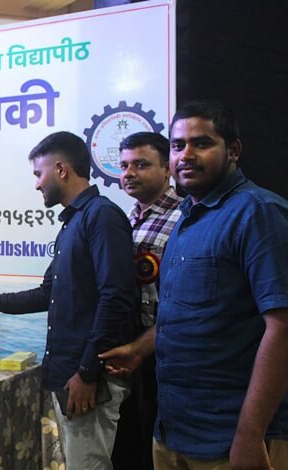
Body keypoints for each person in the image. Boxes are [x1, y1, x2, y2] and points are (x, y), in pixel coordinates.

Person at [100, 100, 288, 469]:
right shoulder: (187, 218)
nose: (186, 155)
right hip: (174, 430)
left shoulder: (257, 212)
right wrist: (139, 350)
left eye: (201, 143)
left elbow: (283, 328)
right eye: (178, 145)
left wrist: (250, 435)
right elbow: (187, 314)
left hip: (234, 437)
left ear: (233, 150)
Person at [0, 131, 137, 469]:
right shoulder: (73, 222)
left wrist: (87, 373)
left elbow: (116, 298)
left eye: (39, 174)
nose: (37, 184)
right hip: (71, 373)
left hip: (88, 379)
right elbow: (47, 294)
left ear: (61, 169)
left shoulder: (101, 216)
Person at [107, 132, 182, 470]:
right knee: (130, 445)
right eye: (124, 166)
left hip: (167, 354)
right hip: (129, 350)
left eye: (141, 165)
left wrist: (142, 348)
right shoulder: (129, 218)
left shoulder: (184, 217)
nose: (129, 173)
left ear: (167, 169)